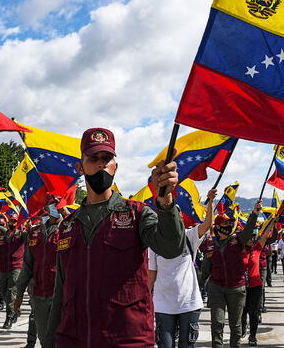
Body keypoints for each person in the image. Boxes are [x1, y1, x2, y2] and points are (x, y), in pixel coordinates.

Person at [44, 127, 185, 348]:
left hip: (128, 340)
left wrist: (166, 202)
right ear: (80, 167)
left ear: (115, 167)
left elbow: (171, 248)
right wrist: (51, 341)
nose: (101, 164)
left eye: (107, 158)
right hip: (73, 340)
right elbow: (61, 291)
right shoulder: (69, 225)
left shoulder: (137, 214)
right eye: (94, 158)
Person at [149, 187, 217, 348]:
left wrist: (211, 202)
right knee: (165, 345)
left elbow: (207, 224)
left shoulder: (189, 236)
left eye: (176, 214)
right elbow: (151, 275)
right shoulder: (154, 242)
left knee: (186, 345)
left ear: (180, 218)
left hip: (189, 303)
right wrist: (146, 301)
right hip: (163, 305)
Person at [201, 201, 259, 348]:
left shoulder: (237, 240)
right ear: (218, 227)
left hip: (236, 289)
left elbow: (248, 230)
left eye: (230, 224)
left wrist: (254, 214)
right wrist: (198, 287)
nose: (229, 227)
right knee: (217, 323)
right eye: (226, 224)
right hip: (216, 288)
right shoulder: (209, 244)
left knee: (235, 324)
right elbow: (206, 269)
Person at [14, 200, 62, 348]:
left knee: (62, 338)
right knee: (45, 340)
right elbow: (27, 265)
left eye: (57, 203)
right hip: (39, 295)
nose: (54, 206)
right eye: (51, 203)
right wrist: (19, 293)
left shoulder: (70, 229)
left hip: (61, 296)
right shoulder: (34, 232)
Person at [241, 218, 275, 346]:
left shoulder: (257, 248)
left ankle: (253, 336)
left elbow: (266, 235)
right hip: (241, 287)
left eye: (253, 236)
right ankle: (243, 330)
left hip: (255, 286)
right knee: (242, 311)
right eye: (249, 237)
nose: (251, 239)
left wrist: (272, 221)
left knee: (253, 312)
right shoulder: (238, 251)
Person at [0, 210, 26, 328]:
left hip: (16, 267)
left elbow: (28, 235)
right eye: (11, 221)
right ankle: (13, 311)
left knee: (11, 291)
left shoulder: (22, 234)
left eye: (15, 221)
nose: (12, 223)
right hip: (4, 267)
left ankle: (8, 317)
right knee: (3, 290)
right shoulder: (3, 235)